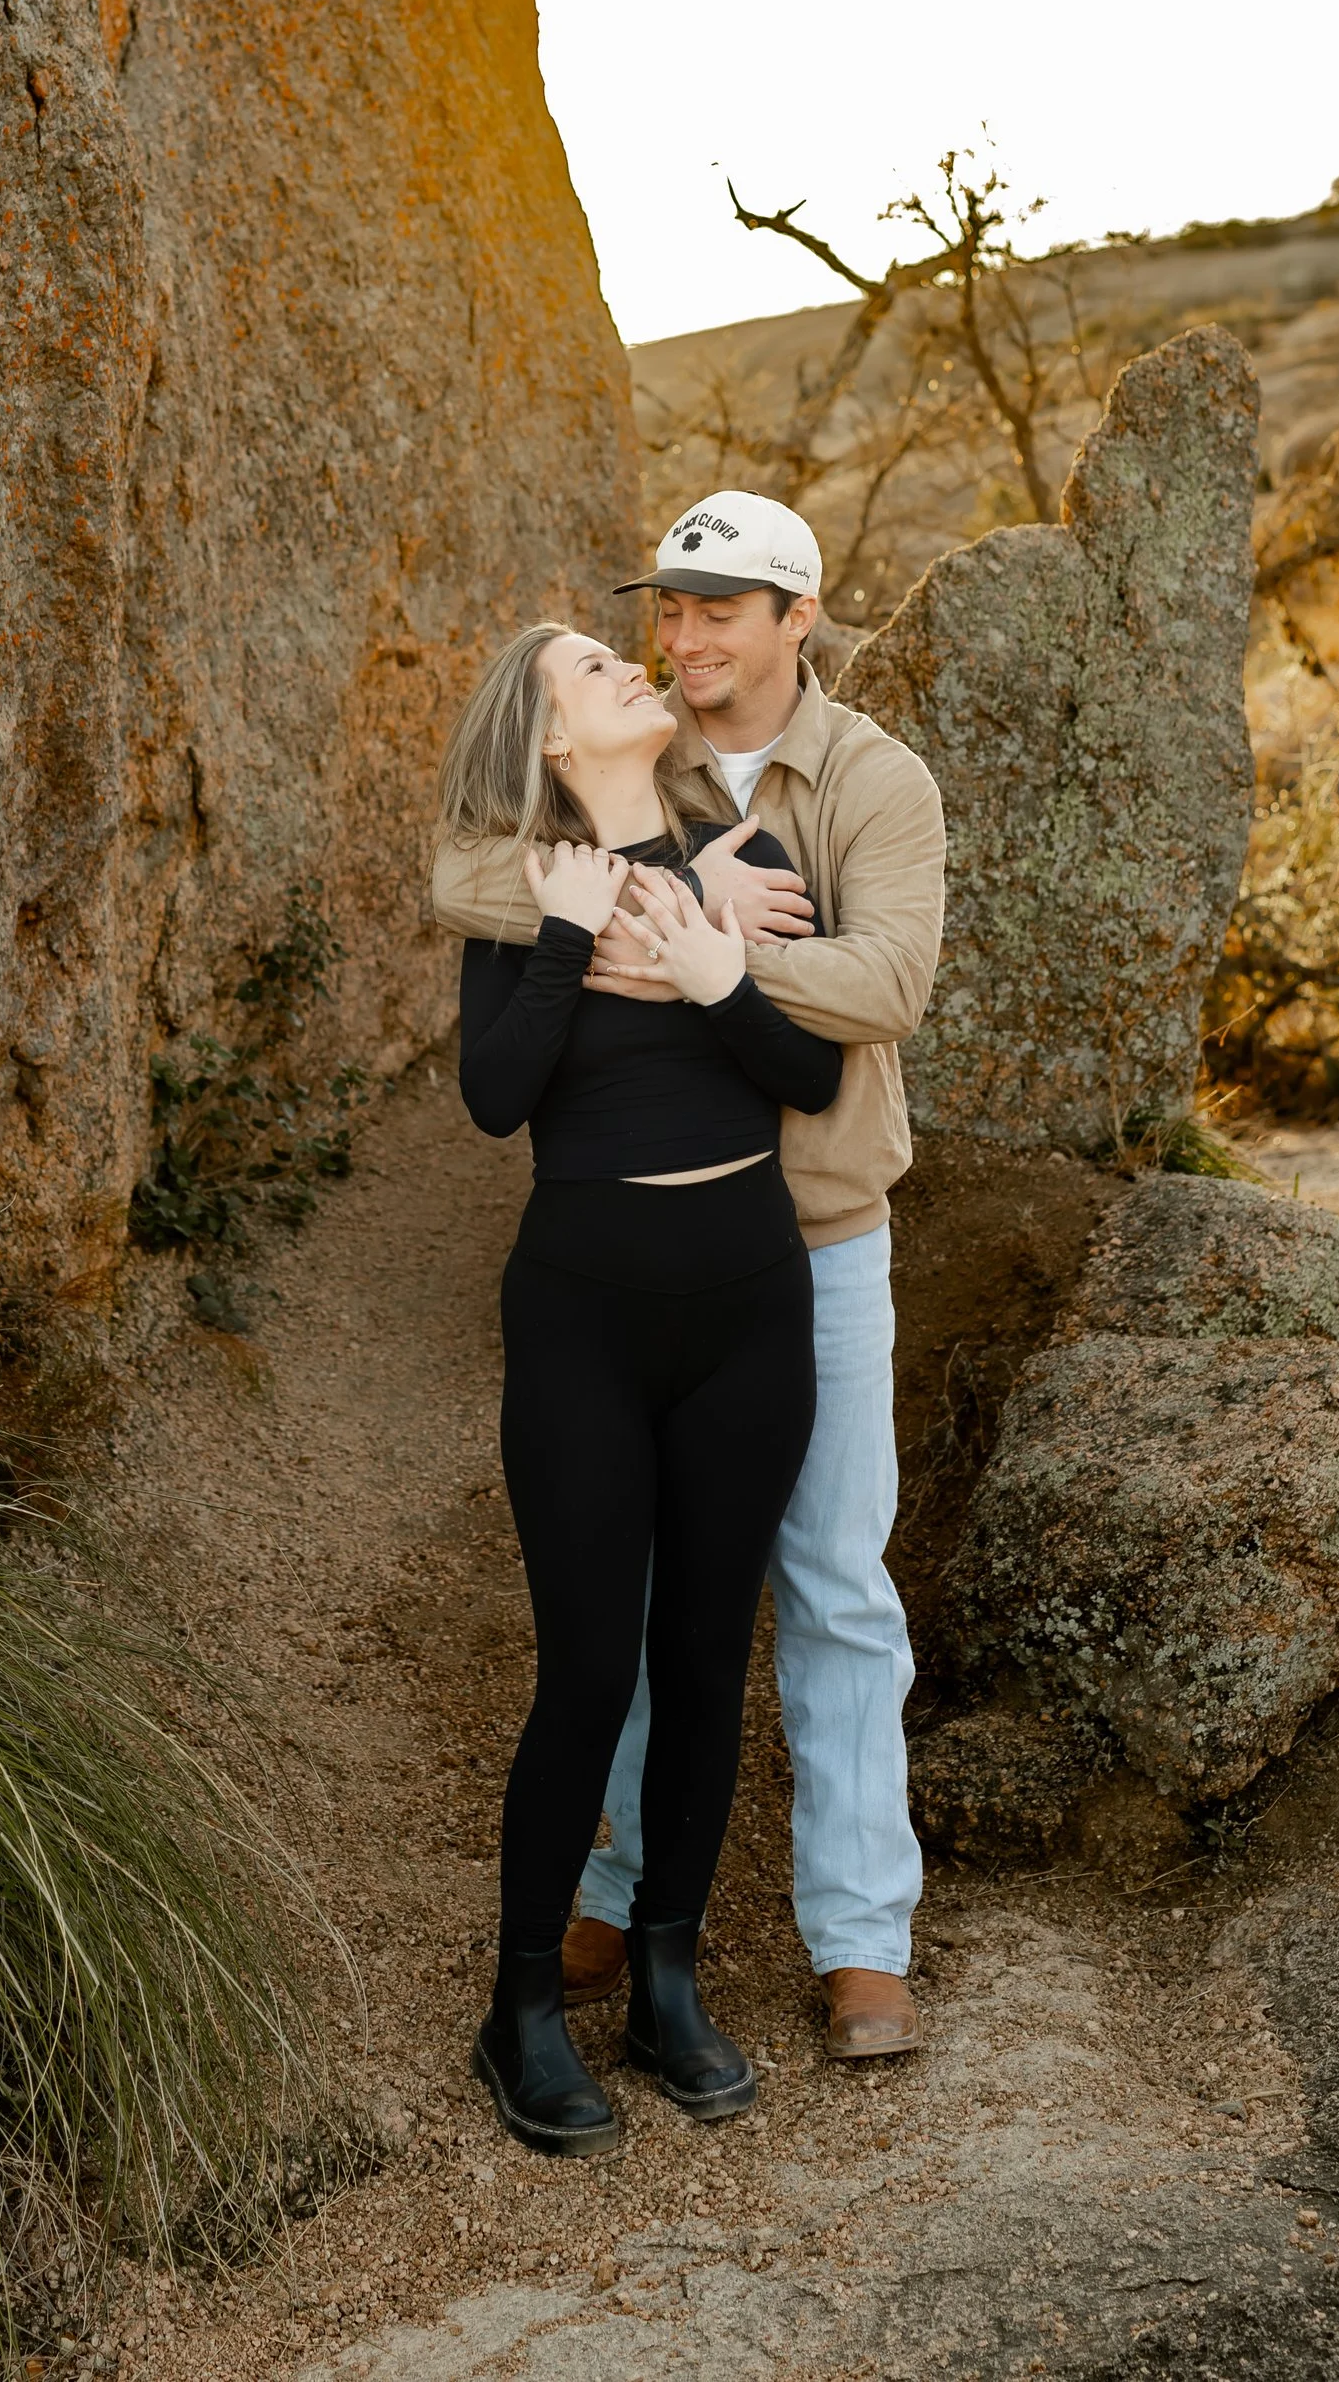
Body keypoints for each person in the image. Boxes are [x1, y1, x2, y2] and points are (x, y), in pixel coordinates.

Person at [433, 491, 945, 2064]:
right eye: (669, 606)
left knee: (830, 1582)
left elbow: (888, 981)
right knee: (634, 1601)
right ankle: (613, 1885)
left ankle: (861, 1943)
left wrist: (719, 952)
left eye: (725, 607)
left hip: (813, 1236)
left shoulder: (868, 780)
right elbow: (469, 866)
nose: (688, 634)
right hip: (636, 1248)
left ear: (802, 618)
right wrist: (620, 897)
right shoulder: (622, 776)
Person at [441, 617, 846, 2156]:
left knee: (706, 1659)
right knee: (589, 1669)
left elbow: (808, 1078)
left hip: (749, 1312)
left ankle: (669, 1974)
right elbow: (494, 1101)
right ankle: (523, 2009)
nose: (631, 671)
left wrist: (712, 973)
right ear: (551, 741)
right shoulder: (520, 887)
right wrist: (566, 936)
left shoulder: (731, 852)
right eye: (593, 672)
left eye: (627, 657)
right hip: (583, 1329)